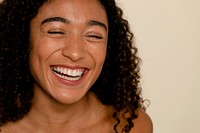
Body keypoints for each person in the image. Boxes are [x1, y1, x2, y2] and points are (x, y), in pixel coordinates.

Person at [0, 0, 153, 132]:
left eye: (94, 35)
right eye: (56, 31)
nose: (75, 53)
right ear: (21, 39)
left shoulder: (131, 126)